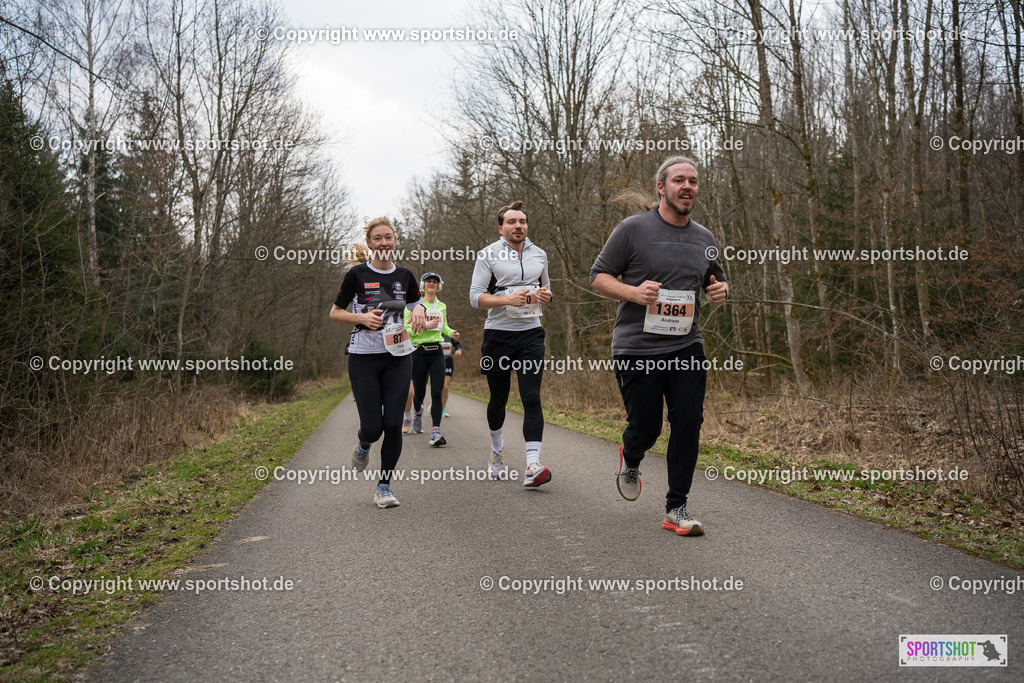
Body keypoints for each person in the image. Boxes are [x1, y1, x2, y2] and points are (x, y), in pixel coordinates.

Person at [590, 156, 729, 536]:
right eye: (679, 180)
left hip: (687, 344)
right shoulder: (632, 229)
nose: (688, 187)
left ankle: (676, 508)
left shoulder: (704, 238)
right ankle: (631, 455)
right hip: (637, 347)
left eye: (694, 181)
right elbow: (598, 277)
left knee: (688, 420)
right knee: (646, 427)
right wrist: (633, 292)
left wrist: (720, 289)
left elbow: (716, 280)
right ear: (661, 187)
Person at [330, 217, 428, 508]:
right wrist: (361, 317)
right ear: (370, 243)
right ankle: (363, 444)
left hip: (398, 357)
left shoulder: (406, 276)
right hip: (363, 358)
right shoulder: (356, 274)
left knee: (394, 424)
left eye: (388, 237)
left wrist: (420, 310)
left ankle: (384, 486)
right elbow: (334, 313)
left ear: (395, 240)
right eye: (377, 238)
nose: (383, 243)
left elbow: (415, 303)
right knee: (373, 428)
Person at [469, 200, 553, 486]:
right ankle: (496, 449)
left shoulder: (539, 254)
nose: (519, 226)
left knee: (531, 396)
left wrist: (546, 297)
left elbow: (547, 289)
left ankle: (532, 465)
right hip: (498, 335)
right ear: (501, 227)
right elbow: (475, 297)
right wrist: (506, 299)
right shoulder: (488, 255)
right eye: (512, 222)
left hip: (531, 332)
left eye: (522, 221)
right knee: (499, 397)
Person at [400, 272, 459, 446]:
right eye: (428, 282)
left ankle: (435, 432)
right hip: (418, 352)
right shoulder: (413, 306)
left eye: (435, 281)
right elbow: (405, 330)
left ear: (439, 286)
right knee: (419, 394)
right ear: (422, 285)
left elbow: (444, 326)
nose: (431, 284)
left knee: (437, 392)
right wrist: (424, 325)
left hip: (436, 353)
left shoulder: (441, 306)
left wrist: (451, 333)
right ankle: (417, 412)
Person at [440, 331, 461, 417]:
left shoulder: (450, 333)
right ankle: (435, 405)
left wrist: (458, 350)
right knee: (436, 388)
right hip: (433, 362)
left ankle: (442, 409)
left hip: (447, 362)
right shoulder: (431, 332)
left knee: (445, 387)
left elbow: (457, 345)